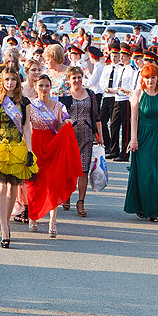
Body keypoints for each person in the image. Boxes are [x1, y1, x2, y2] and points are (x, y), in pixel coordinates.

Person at [0, 67, 37, 248]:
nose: (10, 82)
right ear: (1, 81)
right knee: (1, 187)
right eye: (7, 79)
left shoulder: (25, 102)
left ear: (18, 82)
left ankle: (7, 223)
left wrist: (29, 151)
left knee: (13, 189)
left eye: (13, 79)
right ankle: (4, 229)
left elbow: (27, 127)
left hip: (18, 148)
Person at [25, 74, 81, 236]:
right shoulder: (30, 105)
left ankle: (52, 221)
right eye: (40, 85)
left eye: (47, 86)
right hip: (35, 144)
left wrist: (67, 124)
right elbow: (26, 127)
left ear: (51, 87)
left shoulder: (58, 106)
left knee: (52, 183)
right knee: (34, 183)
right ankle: (33, 216)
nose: (44, 89)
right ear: (35, 87)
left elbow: (62, 123)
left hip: (52, 147)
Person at [124, 64, 158, 221]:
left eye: (153, 77)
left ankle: (149, 205)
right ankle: (151, 210)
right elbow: (134, 118)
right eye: (147, 77)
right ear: (143, 78)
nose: (150, 80)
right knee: (146, 174)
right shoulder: (138, 94)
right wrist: (133, 139)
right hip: (144, 137)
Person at [63, 66, 103, 216]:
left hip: (86, 135)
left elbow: (97, 116)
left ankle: (81, 201)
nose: (77, 80)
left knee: (83, 169)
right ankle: (66, 194)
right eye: (74, 78)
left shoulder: (90, 94)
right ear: (69, 80)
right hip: (69, 135)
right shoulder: (65, 95)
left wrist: (100, 135)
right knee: (68, 168)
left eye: (79, 77)